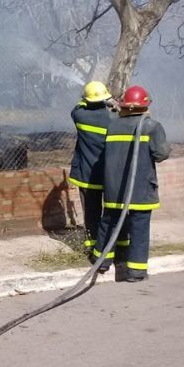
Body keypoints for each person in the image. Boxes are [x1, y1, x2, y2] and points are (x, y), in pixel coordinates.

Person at [93, 85, 170, 282]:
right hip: (140, 188)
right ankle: (135, 272)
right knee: (139, 229)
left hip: (114, 187)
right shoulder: (152, 126)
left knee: (109, 223)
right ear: (145, 105)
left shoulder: (112, 126)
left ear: (125, 105)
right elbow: (161, 154)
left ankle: (101, 262)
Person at [69, 81, 115, 257]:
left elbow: (78, 106)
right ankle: (110, 244)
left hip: (86, 174)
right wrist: (113, 104)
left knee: (91, 211)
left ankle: (92, 245)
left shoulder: (79, 115)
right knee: (110, 211)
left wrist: (85, 99)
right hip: (108, 175)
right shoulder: (113, 120)